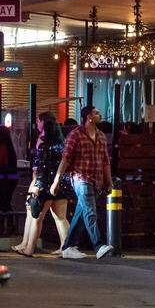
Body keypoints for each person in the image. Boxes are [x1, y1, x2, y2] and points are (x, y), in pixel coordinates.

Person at [49, 106, 114, 260]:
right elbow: (66, 158)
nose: (99, 115)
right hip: (81, 178)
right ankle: (98, 245)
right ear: (88, 117)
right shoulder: (75, 135)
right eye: (96, 113)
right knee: (90, 212)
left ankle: (68, 246)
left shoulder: (101, 136)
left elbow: (106, 161)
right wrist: (56, 180)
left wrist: (108, 180)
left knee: (81, 212)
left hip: (96, 181)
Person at [13, 118, 72, 256]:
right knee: (61, 218)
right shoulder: (62, 145)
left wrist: (37, 186)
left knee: (36, 218)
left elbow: (41, 169)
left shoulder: (45, 147)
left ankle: (29, 249)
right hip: (60, 185)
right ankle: (66, 247)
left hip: (46, 185)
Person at [0, 125, 19, 235]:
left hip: (4, 178)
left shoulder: (1, 147)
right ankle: (9, 227)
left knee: (2, 203)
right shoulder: (9, 146)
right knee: (6, 203)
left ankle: (3, 228)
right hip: (11, 178)